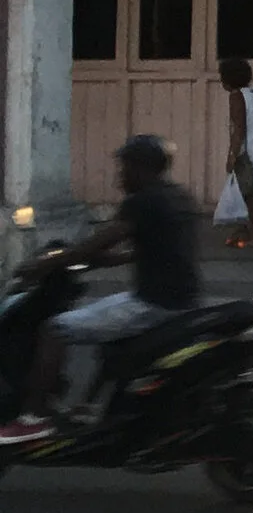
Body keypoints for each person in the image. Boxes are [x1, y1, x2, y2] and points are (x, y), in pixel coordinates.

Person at [0, 135, 204, 444]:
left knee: (54, 329)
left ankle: (33, 419)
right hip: (181, 299)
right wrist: (96, 261)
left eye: (124, 167)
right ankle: (90, 407)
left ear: (141, 167)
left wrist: (45, 266)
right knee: (103, 321)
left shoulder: (143, 201)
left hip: (153, 304)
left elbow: (100, 241)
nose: (119, 175)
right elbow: (143, 249)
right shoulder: (178, 198)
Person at [218, 52, 253, 251]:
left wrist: (232, 155)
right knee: (247, 192)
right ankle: (243, 231)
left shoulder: (236, 96)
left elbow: (239, 128)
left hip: (247, 150)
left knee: (248, 195)